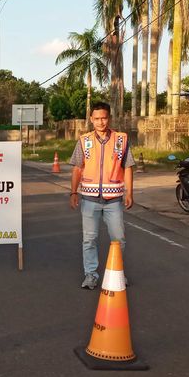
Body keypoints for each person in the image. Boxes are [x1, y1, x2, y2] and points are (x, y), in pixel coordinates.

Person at [69, 101, 135, 290]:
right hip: (89, 200)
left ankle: (117, 273)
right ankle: (91, 275)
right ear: (91, 119)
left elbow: (128, 167)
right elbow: (76, 168)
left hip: (114, 200)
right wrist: (74, 192)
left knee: (118, 239)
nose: (100, 122)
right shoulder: (84, 140)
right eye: (96, 118)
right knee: (89, 239)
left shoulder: (121, 139)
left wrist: (129, 192)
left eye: (104, 118)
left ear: (109, 118)